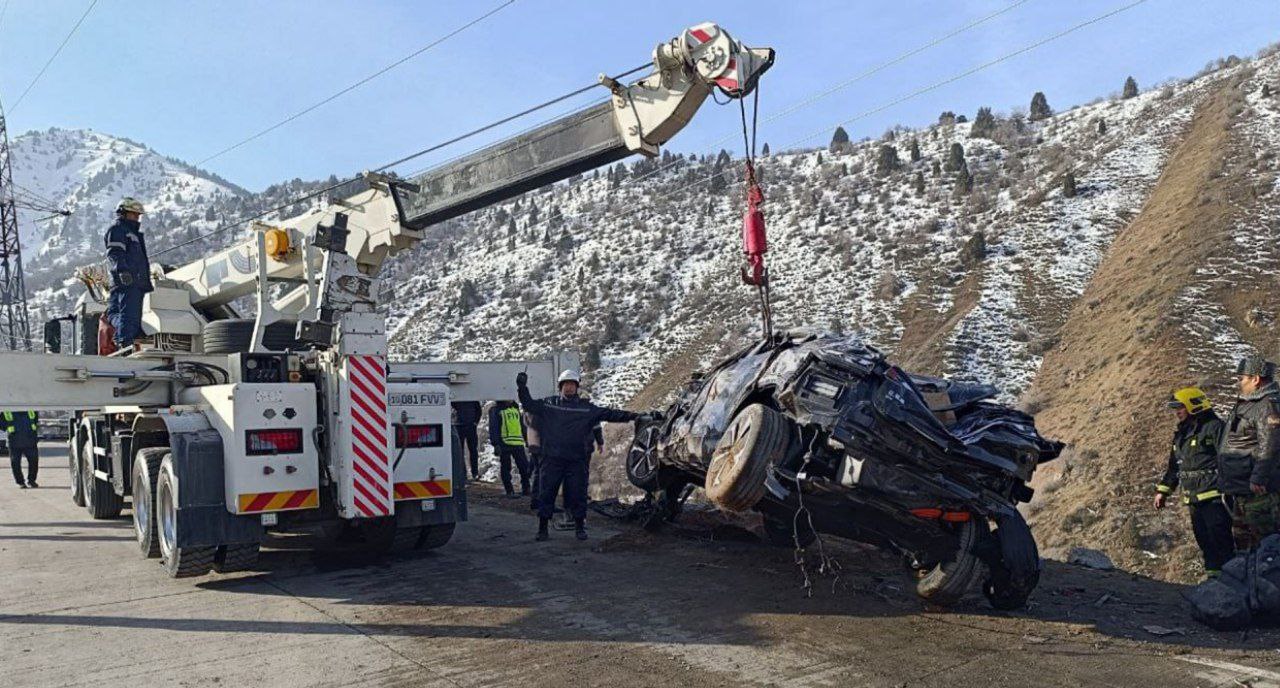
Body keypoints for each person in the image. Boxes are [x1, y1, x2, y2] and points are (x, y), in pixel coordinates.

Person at [518, 369, 645, 541]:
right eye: (566, 385)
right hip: (552, 459)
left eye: (572, 385)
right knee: (546, 493)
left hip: (576, 460)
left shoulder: (586, 409)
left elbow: (610, 413)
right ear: (560, 386)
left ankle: (579, 527)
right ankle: (542, 529)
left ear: (577, 387)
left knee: (578, 494)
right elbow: (528, 404)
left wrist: (635, 416)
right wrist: (522, 387)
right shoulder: (549, 404)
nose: (569, 388)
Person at [1154, 387, 1233, 576]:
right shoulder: (1181, 435)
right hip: (1193, 498)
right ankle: (1214, 579)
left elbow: (1228, 458)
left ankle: (1232, 581)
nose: (1177, 412)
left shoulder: (1214, 427)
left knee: (1220, 540)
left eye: (1181, 407)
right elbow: (1174, 467)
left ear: (1194, 406)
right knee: (1205, 542)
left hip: (1215, 496)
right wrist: (1163, 491)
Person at [1218, 355, 1280, 552]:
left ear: (1256, 379)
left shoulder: (1267, 405)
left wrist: (1258, 478)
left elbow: (1270, 445)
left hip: (1258, 492)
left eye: (1242, 378)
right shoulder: (1248, 404)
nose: (1239, 382)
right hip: (1242, 488)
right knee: (1245, 546)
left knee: (1265, 546)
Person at [103, 197, 154, 352]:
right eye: (134, 214)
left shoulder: (134, 234)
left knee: (124, 316)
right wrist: (123, 272)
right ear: (123, 213)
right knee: (128, 316)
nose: (137, 218)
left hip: (135, 282)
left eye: (139, 215)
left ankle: (124, 338)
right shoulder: (118, 230)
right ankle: (125, 343)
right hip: (127, 281)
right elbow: (115, 254)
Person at [488, 400, 531, 497]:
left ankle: (526, 488)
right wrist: (496, 444)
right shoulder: (496, 410)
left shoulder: (515, 409)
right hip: (504, 443)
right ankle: (509, 490)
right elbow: (493, 427)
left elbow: (522, 426)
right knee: (506, 467)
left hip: (518, 442)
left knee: (524, 467)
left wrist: (527, 439)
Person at [3, 411, 39, 488]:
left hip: (27, 440)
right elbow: (2, 425)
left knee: (33, 461)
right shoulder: (7, 411)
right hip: (17, 441)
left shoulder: (31, 409)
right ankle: (22, 482)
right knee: (16, 463)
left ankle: (30, 481)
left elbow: (35, 420)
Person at [452, 401, 483, 480]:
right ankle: (463, 473)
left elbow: (478, 410)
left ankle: (474, 473)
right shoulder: (459, 397)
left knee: (473, 450)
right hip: (459, 426)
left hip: (470, 426)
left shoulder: (471, 396)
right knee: (460, 451)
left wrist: (475, 422)